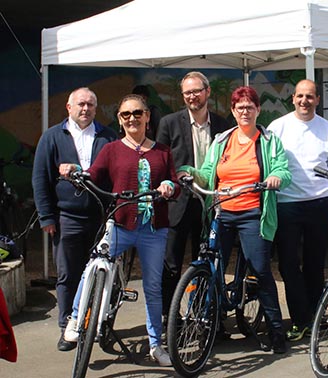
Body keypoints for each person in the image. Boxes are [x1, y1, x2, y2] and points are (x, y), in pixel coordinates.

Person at [60, 94, 179, 366]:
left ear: (148, 116)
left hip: (153, 228)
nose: (132, 119)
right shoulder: (112, 149)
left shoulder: (162, 151)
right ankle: (77, 318)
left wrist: (170, 188)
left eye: (137, 113)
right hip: (121, 223)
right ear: (119, 119)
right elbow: (93, 173)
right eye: (126, 114)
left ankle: (156, 344)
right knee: (94, 263)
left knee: (152, 287)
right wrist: (75, 171)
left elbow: (174, 183)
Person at [177, 86, 291, 354]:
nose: (245, 111)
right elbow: (207, 172)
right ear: (233, 111)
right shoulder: (222, 140)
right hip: (222, 211)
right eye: (240, 107)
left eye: (250, 107)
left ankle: (276, 331)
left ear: (258, 110)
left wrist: (275, 178)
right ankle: (210, 325)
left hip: (253, 212)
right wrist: (189, 172)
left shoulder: (269, 140)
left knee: (260, 269)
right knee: (210, 265)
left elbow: (282, 169)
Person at [32, 87, 117, 351]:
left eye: (91, 104)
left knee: (106, 274)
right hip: (67, 217)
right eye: (80, 104)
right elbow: (40, 179)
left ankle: (102, 325)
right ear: (69, 107)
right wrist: (47, 216)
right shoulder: (53, 137)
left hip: (101, 218)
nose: (86, 109)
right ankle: (67, 327)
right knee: (69, 274)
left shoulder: (108, 136)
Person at [268, 79, 328, 341]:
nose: (304, 101)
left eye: (310, 96)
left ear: (317, 100)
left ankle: (313, 316)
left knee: (315, 265)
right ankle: (300, 319)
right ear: (293, 99)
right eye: (300, 96)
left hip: (319, 204)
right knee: (288, 265)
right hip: (286, 205)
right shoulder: (277, 127)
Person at [156, 71, 230, 320]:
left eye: (196, 91)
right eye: (187, 92)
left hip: (210, 203)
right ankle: (168, 315)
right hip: (178, 202)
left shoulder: (222, 125)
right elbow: (161, 161)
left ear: (207, 92)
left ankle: (200, 314)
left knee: (205, 259)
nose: (192, 96)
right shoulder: (169, 123)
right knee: (171, 263)